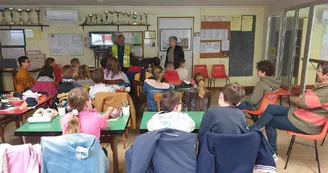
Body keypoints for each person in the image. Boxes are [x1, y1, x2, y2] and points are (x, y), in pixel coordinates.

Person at [251, 62, 328, 153]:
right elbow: (305, 97)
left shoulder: (325, 91)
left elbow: (303, 101)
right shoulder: (320, 86)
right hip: (301, 114)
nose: (316, 72)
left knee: (269, 121)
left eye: (319, 71)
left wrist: (301, 99)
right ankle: (254, 130)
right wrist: (303, 98)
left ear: (326, 75)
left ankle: (271, 151)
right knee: (271, 107)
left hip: (307, 123)